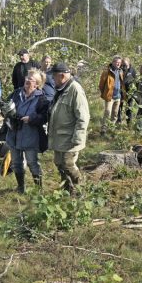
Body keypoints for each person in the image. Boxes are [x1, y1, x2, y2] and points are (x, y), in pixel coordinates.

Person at [4, 70, 50, 193]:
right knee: (16, 163)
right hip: (14, 134)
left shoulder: (42, 99)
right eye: (27, 77)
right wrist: (7, 111)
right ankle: (20, 188)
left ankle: (38, 190)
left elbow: (45, 117)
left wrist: (31, 119)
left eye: (31, 79)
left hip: (30, 136)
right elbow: (5, 105)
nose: (27, 80)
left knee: (32, 163)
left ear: (37, 84)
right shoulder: (16, 93)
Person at [48, 62, 90, 193]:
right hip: (59, 136)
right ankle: (68, 190)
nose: (52, 79)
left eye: (54, 76)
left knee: (68, 164)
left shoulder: (75, 89)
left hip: (70, 137)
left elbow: (83, 116)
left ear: (61, 76)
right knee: (59, 163)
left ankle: (81, 189)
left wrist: (78, 136)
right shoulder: (61, 89)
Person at [98, 55, 125, 133]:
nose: (118, 64)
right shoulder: (107, 71)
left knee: (115, 113)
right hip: (109, 96)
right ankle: (104, 129)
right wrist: (104, 93)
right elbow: (101, 84)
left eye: (119, 63)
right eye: (116, 62)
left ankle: (112, 128)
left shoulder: (121, 71)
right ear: (113, 62)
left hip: (118, 96)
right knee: (107, 112)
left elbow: (121, 83)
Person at [121, 57, 138, 125]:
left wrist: (134, 89)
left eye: (125, 63)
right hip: (121, 91)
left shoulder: (132, 70)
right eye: (123, 63)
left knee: (129, 107)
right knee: (120, 106)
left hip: (130, 91)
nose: (124, 64)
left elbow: (136, 79)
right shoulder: (121, 69)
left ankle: (129, 123)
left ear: (129, 62)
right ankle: (119, 121)